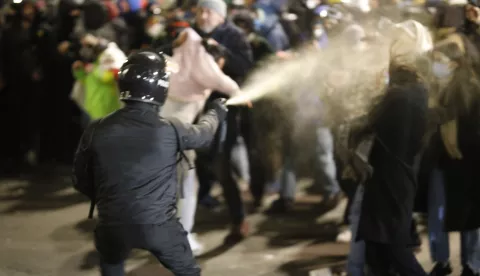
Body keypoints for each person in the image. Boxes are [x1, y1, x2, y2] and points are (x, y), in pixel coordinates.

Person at [72, 50, 228, 276]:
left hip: (112, 223)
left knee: (111, 264)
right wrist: (216, 112)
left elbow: (80, 179)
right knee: (189, 271)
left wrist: (110, 201)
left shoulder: (97, 128)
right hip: (159, 227)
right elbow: (204, 134)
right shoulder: (171, 128)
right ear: (161, 87)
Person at [351, 62, 429, 276]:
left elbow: (365, 126)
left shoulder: (399, 100)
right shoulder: (414, 97)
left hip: (389, 183)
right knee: (381, 251)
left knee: (394, 251)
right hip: (394, 182)